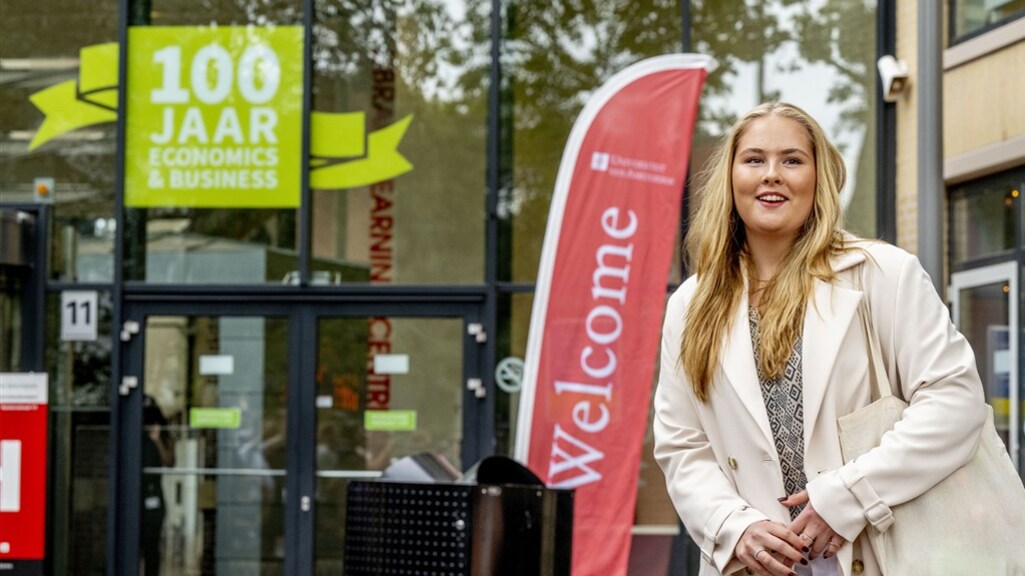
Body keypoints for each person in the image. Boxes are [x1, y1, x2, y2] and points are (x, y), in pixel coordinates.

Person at [652, 102, 987, 576]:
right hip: (755, 564)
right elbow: (682, 445)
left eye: (792, 160)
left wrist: (849, 496)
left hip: (880, 552)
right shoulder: (690, 306)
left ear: (817, 177)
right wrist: (733, 526)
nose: (772, 174)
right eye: (753, 160)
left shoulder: (882, 275)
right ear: (730, 178)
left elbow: (956, 402)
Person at [141, 395, 175, 576]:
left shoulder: (161, 434)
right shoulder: (134, 434)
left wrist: (157, 440)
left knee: (152, 546)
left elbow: (170, 462)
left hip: (153, 494)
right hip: (135, 494)